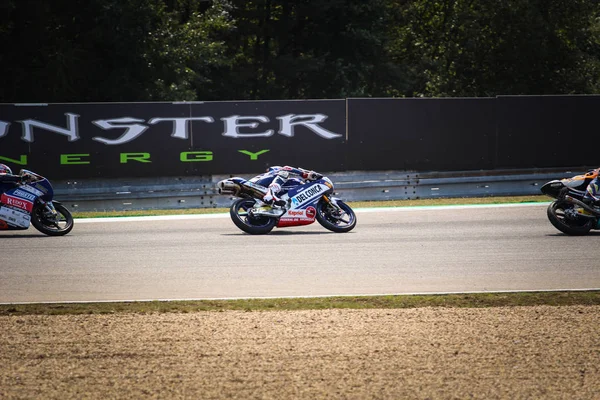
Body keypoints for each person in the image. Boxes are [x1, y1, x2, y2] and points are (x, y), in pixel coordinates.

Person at [250, 165, 322, 206]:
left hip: (256, 194)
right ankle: (271, 194)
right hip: (258, 186)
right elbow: (286, 168)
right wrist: (304, 174)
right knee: (284, 173)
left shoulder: (265, 177)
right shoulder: (274, 173)